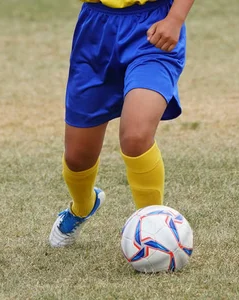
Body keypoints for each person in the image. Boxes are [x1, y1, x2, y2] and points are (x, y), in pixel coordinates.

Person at [49, 0, 195, 247]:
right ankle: (82, 207)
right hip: (95, 30)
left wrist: (175, 18)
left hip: (153, 28)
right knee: (77, 157)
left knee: (136, 137)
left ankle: (153, 229)